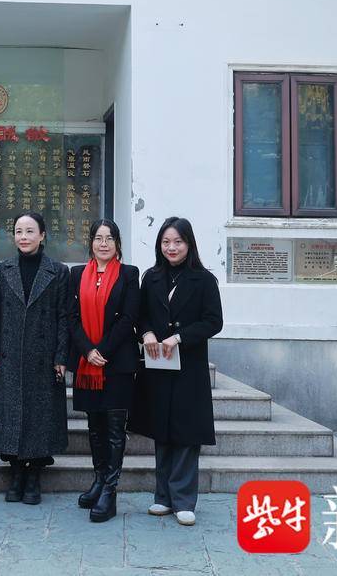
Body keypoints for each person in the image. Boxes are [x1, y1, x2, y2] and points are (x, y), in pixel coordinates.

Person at [129, 216, 223, 526]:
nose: (171, 247)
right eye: (166, 242)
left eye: (178, 242)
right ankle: (163, 497)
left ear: (189, 244)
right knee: (162, 431)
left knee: (185, 433)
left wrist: (179, 337)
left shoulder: (204, 280)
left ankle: (183, 500)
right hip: (158, 365)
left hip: (188, 368)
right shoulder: (152, 277)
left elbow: (213, 322)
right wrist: (146, 334)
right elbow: (140, 315)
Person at [0, 212, 69, 505]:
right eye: (19, 231)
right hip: (10, 353)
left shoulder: (58, 271)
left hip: (44, 356)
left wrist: (61, 356)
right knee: (12, 415)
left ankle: (34, 476)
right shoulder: (4, 269)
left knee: (40, 417)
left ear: (42, 235)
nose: (23, 237)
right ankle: (17, 472)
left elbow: (64, 317)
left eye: (30, 231)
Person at [68, 219, 140, 522]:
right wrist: (88, 350)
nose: (103, 243)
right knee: (94, 427)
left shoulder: (129, 274)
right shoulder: (76, 274)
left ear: (117, 243)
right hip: (86, 364)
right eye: (98, 238)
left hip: (117, 363)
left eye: (109, 238)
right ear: (91, 243)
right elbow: (71, 317)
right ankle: (99, 480)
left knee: (113, 429)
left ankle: (110, 491)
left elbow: (129, 318)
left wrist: (103, 351)